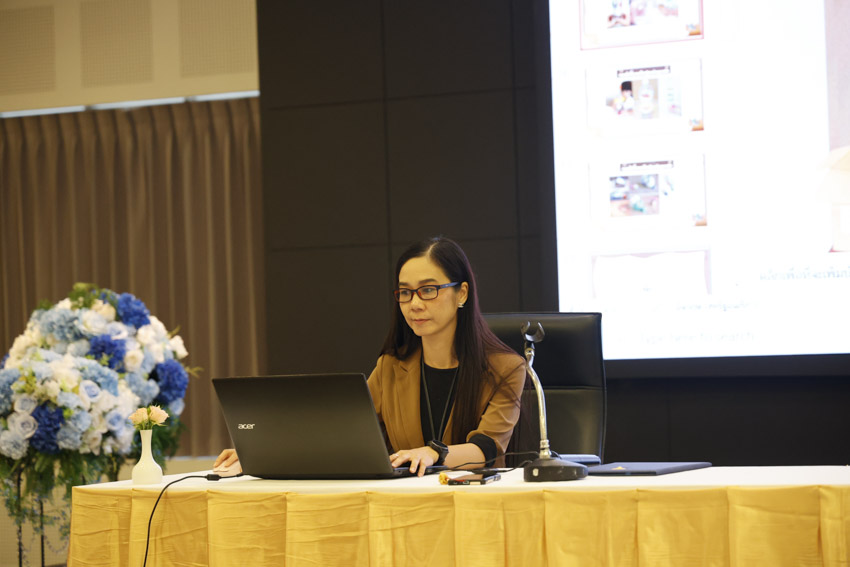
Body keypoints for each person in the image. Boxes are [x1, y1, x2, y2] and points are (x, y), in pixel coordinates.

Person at [214, 236, 526, 476]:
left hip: (472, 502)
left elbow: (487, 447)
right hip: (403, 504)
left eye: (428, 290)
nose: (415, 304)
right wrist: (264, 452)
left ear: (462, 293)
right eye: (405, 292)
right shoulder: (391, 367)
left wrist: (434, 453)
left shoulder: (506, 368)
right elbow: (340, 431)